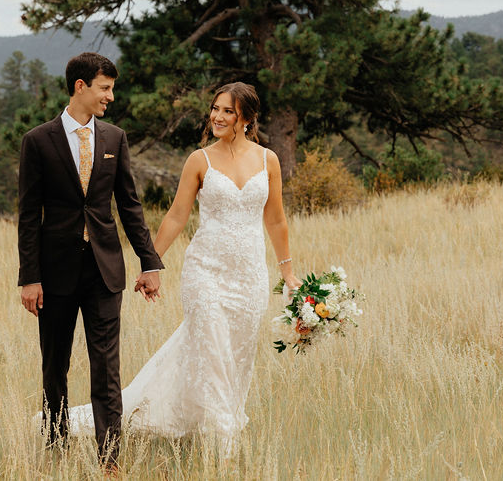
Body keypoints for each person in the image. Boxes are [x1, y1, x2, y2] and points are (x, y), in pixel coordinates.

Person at [64, 81, 302, 454]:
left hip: (250, 278)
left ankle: (192, 422)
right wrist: (150, 263)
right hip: (205, 274)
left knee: (236, 358)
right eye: (215, 108)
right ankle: (223, 449)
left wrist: (288, 272)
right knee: (212, 353)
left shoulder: (268, 160)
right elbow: (176, 217)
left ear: (248, 118)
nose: (217, 116)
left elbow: (276, 221)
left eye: (227, 111)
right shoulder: (200, 159)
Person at [17, 52, 164, 470]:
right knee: (55, 368)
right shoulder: (37, 141)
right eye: (104, 87)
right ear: (80, 86)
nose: (110, 97)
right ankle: (58, 452)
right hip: (55, 274)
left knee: (107, 369)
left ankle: (110, 461)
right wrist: (30, 278)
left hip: (105, 272)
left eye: (112, 88)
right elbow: (29, 216)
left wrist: (149, 263)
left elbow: (130, 206)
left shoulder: (115, 138)